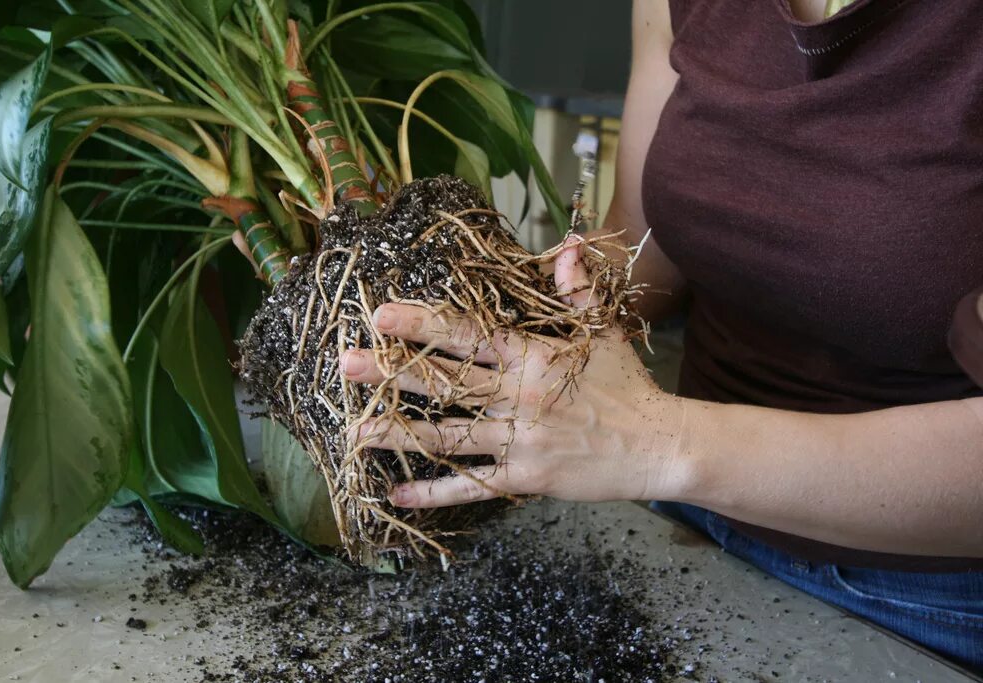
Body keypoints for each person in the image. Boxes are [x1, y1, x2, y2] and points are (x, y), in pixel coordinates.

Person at [339, 0, 983, 670]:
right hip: (688, 527)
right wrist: (482, 325)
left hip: (927, 603)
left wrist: (657, 441)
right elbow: (645, 248)